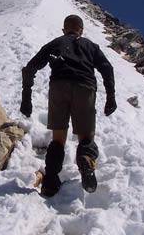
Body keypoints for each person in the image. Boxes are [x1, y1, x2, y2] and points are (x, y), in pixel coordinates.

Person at [20, 14, 116, 197]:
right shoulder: (90, 46)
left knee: (58, 139)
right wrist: (111, 96)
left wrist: (26, 98)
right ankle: (86, 159)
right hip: (85, 87)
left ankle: (50, 182)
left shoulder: (56, 43)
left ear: (64, 29)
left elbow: (30, 68)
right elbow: (107, 68)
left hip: (59, 87)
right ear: (81, 30)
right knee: (86, 135)